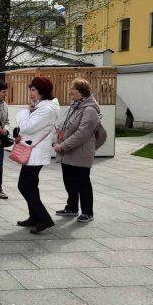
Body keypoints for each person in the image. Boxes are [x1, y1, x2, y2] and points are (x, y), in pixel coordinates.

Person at [15, 76, 60, 234]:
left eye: (33, 90)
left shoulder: (45, 109)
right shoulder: (43, 107)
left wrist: (25, 111)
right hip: (34, 152)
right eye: (30, 89)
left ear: (42, 92)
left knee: (24, 186)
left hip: (35, 153)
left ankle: (44, 218)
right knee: (31, 186)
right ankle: (34, 217)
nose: (30, 93)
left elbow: (27, 127)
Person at [53, 78, 101, 223]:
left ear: (82, 92)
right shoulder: (73, 106)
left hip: (80, 154)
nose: (70, 92)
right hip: (67, 153)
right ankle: (72, 208)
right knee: (69, 182)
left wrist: (62, 146)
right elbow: (61, 125)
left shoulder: (90, 110)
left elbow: (82, 133)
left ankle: (87, 212)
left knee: (83, 183)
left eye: (73, 89)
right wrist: (57, 139)